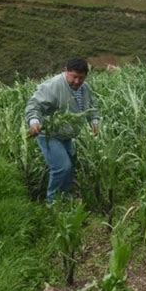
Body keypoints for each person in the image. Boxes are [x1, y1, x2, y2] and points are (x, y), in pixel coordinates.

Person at [25, 58, 100, 204]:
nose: (77, 81)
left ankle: (65, 198)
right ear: (66, 72)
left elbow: (92, 106)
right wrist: (34, 122)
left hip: (67, 135)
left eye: (81, 78)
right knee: (62, 167)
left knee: (70, 166)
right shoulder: (53, 86)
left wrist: (94, 122)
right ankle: (52, 203)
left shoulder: (85, 89)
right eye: (74, 77)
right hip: (49, 134)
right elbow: (34, 105)